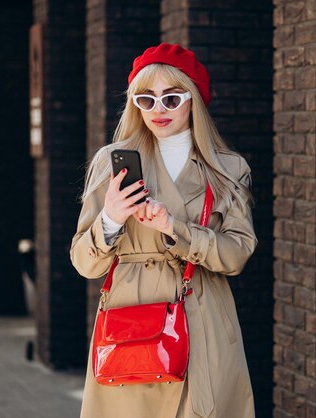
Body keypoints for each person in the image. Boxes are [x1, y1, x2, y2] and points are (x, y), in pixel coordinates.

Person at [70, 43, 257, 418]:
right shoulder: (112, 162)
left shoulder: (227, 168)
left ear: (195, 101)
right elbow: (84, 264)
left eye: (172, 98)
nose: (158, 109)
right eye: (146, 98)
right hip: (130, 320)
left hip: (201, 315)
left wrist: (174, 228)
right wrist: (110, 217)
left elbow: (237, 255)